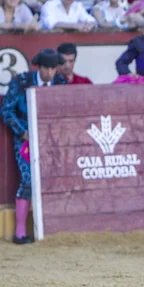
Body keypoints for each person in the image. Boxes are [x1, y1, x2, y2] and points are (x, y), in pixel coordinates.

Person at [1, 49, 68, 245]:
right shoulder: (21, 81)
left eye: (53, 68)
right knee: (28, 179)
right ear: (39, 67)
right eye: (46, 68)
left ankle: (56, 229)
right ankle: (20, 232)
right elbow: (6, 110)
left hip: (53, 142)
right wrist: (23, 133)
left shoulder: (61, 83)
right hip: (26, 140)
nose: (49, 72)